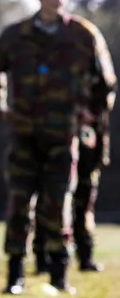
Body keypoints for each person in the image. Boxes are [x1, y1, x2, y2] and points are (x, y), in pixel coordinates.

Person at [0, 0, 116, 295]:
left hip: (63, 135)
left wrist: (91, 114)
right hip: (25, 134)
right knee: (19, 203)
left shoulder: (83, 35)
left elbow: (106, 82)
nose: (58, 0)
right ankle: (15, 275)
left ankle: (59, 274)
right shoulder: (15, 37)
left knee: (59, 204)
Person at [32, 113, 111, 273]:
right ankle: (43, 257)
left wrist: (102, 152)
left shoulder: (96, 97)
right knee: (51, 203)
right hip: (60, 147)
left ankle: (85, 256)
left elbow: (101, 119)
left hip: (87, 153)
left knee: (84, 207)